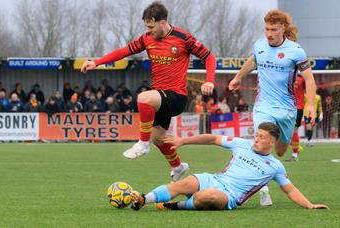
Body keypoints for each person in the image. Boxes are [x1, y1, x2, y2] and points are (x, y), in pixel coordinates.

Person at [80, 1, 216, 181]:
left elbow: (209, 57)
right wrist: (96, 62)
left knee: (143, 97)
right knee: (159, 138)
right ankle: (178, 167)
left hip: (177, 96)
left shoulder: (183, 38)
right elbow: (123, 51)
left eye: (151, 27)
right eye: (147, 27)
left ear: (162, 22)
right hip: (160, 96)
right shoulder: (147, 39)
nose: (149, 30)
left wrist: (210, 81)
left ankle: (143, 144)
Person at [130, 122, 329, 211]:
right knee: (186, 182)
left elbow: (290, 190)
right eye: (256, 135)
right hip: (216, 179)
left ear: (272, 143)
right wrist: (184, 141)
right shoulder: (241, 143)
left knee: (207, 196)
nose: (256, 139)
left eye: (261, 137)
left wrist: (309, 205)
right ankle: (143, 199)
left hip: (229, 196)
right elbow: (213, 138)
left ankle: (175, 206)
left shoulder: (275, 167)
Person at [228, 10, 317, 206]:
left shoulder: (295, 51)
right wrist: (238, 77)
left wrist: (310, 105)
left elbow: (309, 78)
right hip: (263, 106)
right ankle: (263, 189)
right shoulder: (259, 45)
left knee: (280, 151)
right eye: (266, 29)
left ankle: (274, 171)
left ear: (283, 29)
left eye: (274, 29)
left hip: (286, 110)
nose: (269, 33)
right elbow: (253, 61)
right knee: (261, 143)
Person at [286, 74, 305, 162]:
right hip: (291, 107)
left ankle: (295, 155)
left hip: (295, 107)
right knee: (282, 131)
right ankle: (296, 147)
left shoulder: (286, 76)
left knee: (293, 131)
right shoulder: (302, 78)